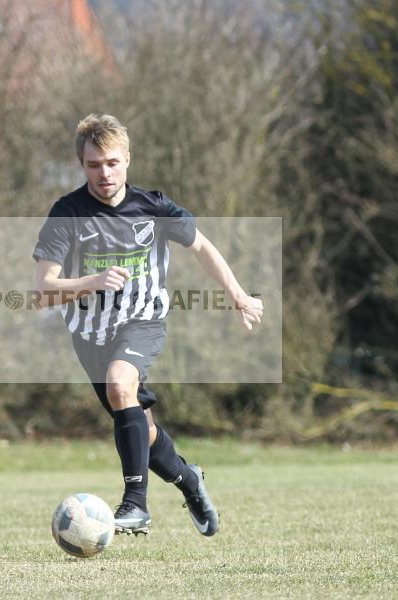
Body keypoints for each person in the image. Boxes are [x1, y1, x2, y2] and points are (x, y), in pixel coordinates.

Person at [33, 114, 263, 536]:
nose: (104, 173)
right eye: (94, 165)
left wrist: (238, 294)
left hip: (143, 321)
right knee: (143, 428)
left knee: (122, 387)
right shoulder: (67, 213)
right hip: (89, 335)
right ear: (82, 165)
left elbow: (202, 246)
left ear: (127, 161)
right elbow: (44, 288)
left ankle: (135, 505)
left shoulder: (152, 206)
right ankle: (189, 480)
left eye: (112, 163)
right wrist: (92, 282)